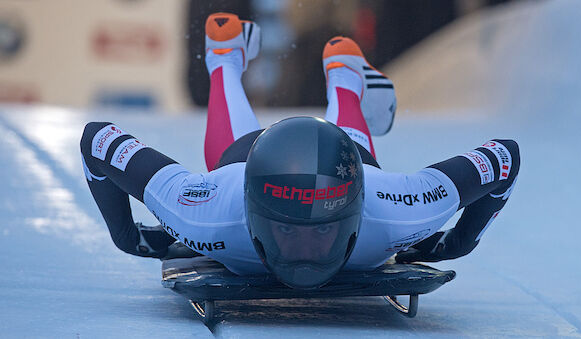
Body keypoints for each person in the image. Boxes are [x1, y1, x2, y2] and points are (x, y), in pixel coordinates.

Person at [80, 13, 520, 289]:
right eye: (287, 233)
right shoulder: (205, 209)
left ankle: (228, 53)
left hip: (352, 177)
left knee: (349, 161)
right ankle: (334, 71)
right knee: (239, 163)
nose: (306, 254)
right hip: (252, 174)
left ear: (354, 212)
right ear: (252, 215)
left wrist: (128, 236)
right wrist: (455, 243)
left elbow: (505, 156)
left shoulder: (398, 209)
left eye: (323, 231)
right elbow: (503, 158)